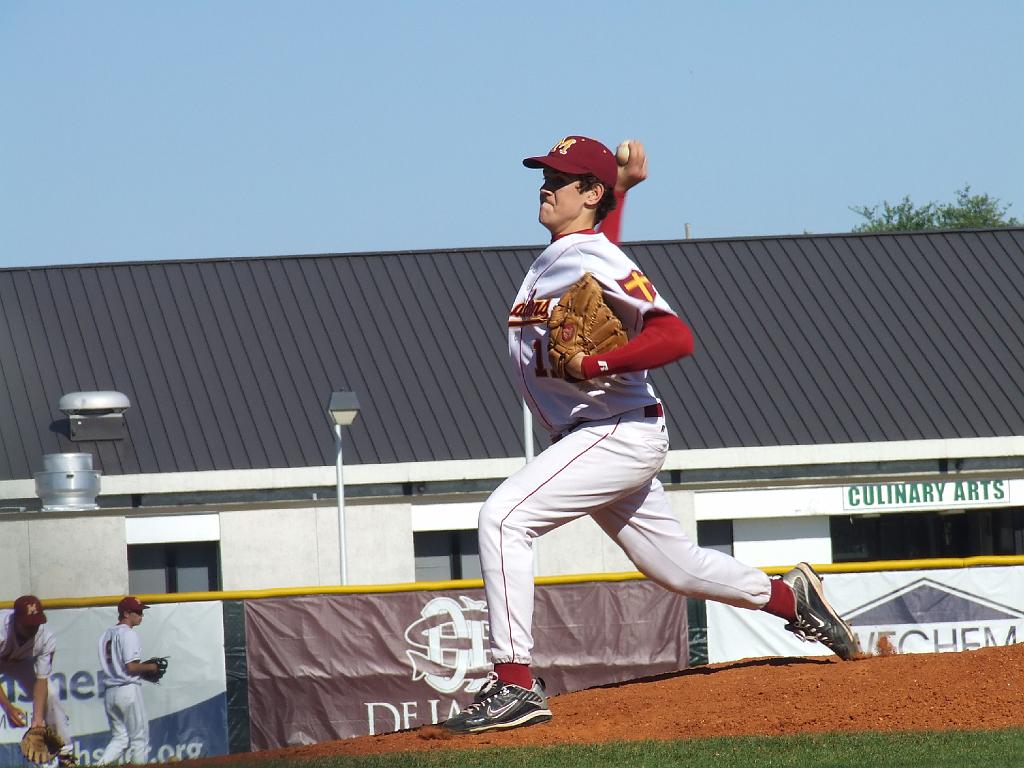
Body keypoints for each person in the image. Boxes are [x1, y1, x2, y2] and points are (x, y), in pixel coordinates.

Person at [442, 136, 859, 734]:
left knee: (504, 519)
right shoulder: (570, 251)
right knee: (675, 568)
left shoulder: (584, 252)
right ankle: (793, 598)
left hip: (613, 432)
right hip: (599, 434)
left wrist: (595, 366)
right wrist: (621, 195)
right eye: (545, 175)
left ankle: (514, 684)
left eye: (560, 179)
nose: (545, 186)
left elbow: (676, 335)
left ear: (588, 194)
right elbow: (601, 254)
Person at [0, 595, 77, 766]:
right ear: (15, 620)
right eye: (28, 624)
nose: (33, 627)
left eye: (36, 622)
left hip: (19, 662)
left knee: (51, 694)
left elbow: (41, 681)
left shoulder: (46, 638)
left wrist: (37, 721)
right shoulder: (1, 630)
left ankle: (66, 755)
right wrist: (8, 707)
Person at [97, 597, 161, 765]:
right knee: (139, 738)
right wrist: (151, 668)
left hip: (110, 692)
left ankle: (96, 766)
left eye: (142, 611)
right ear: (126, 613)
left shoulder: (105, 635)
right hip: (127, 689)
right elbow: (131, 667)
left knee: (120, 738)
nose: (141, 615)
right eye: (138, 612)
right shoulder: (128, 633)